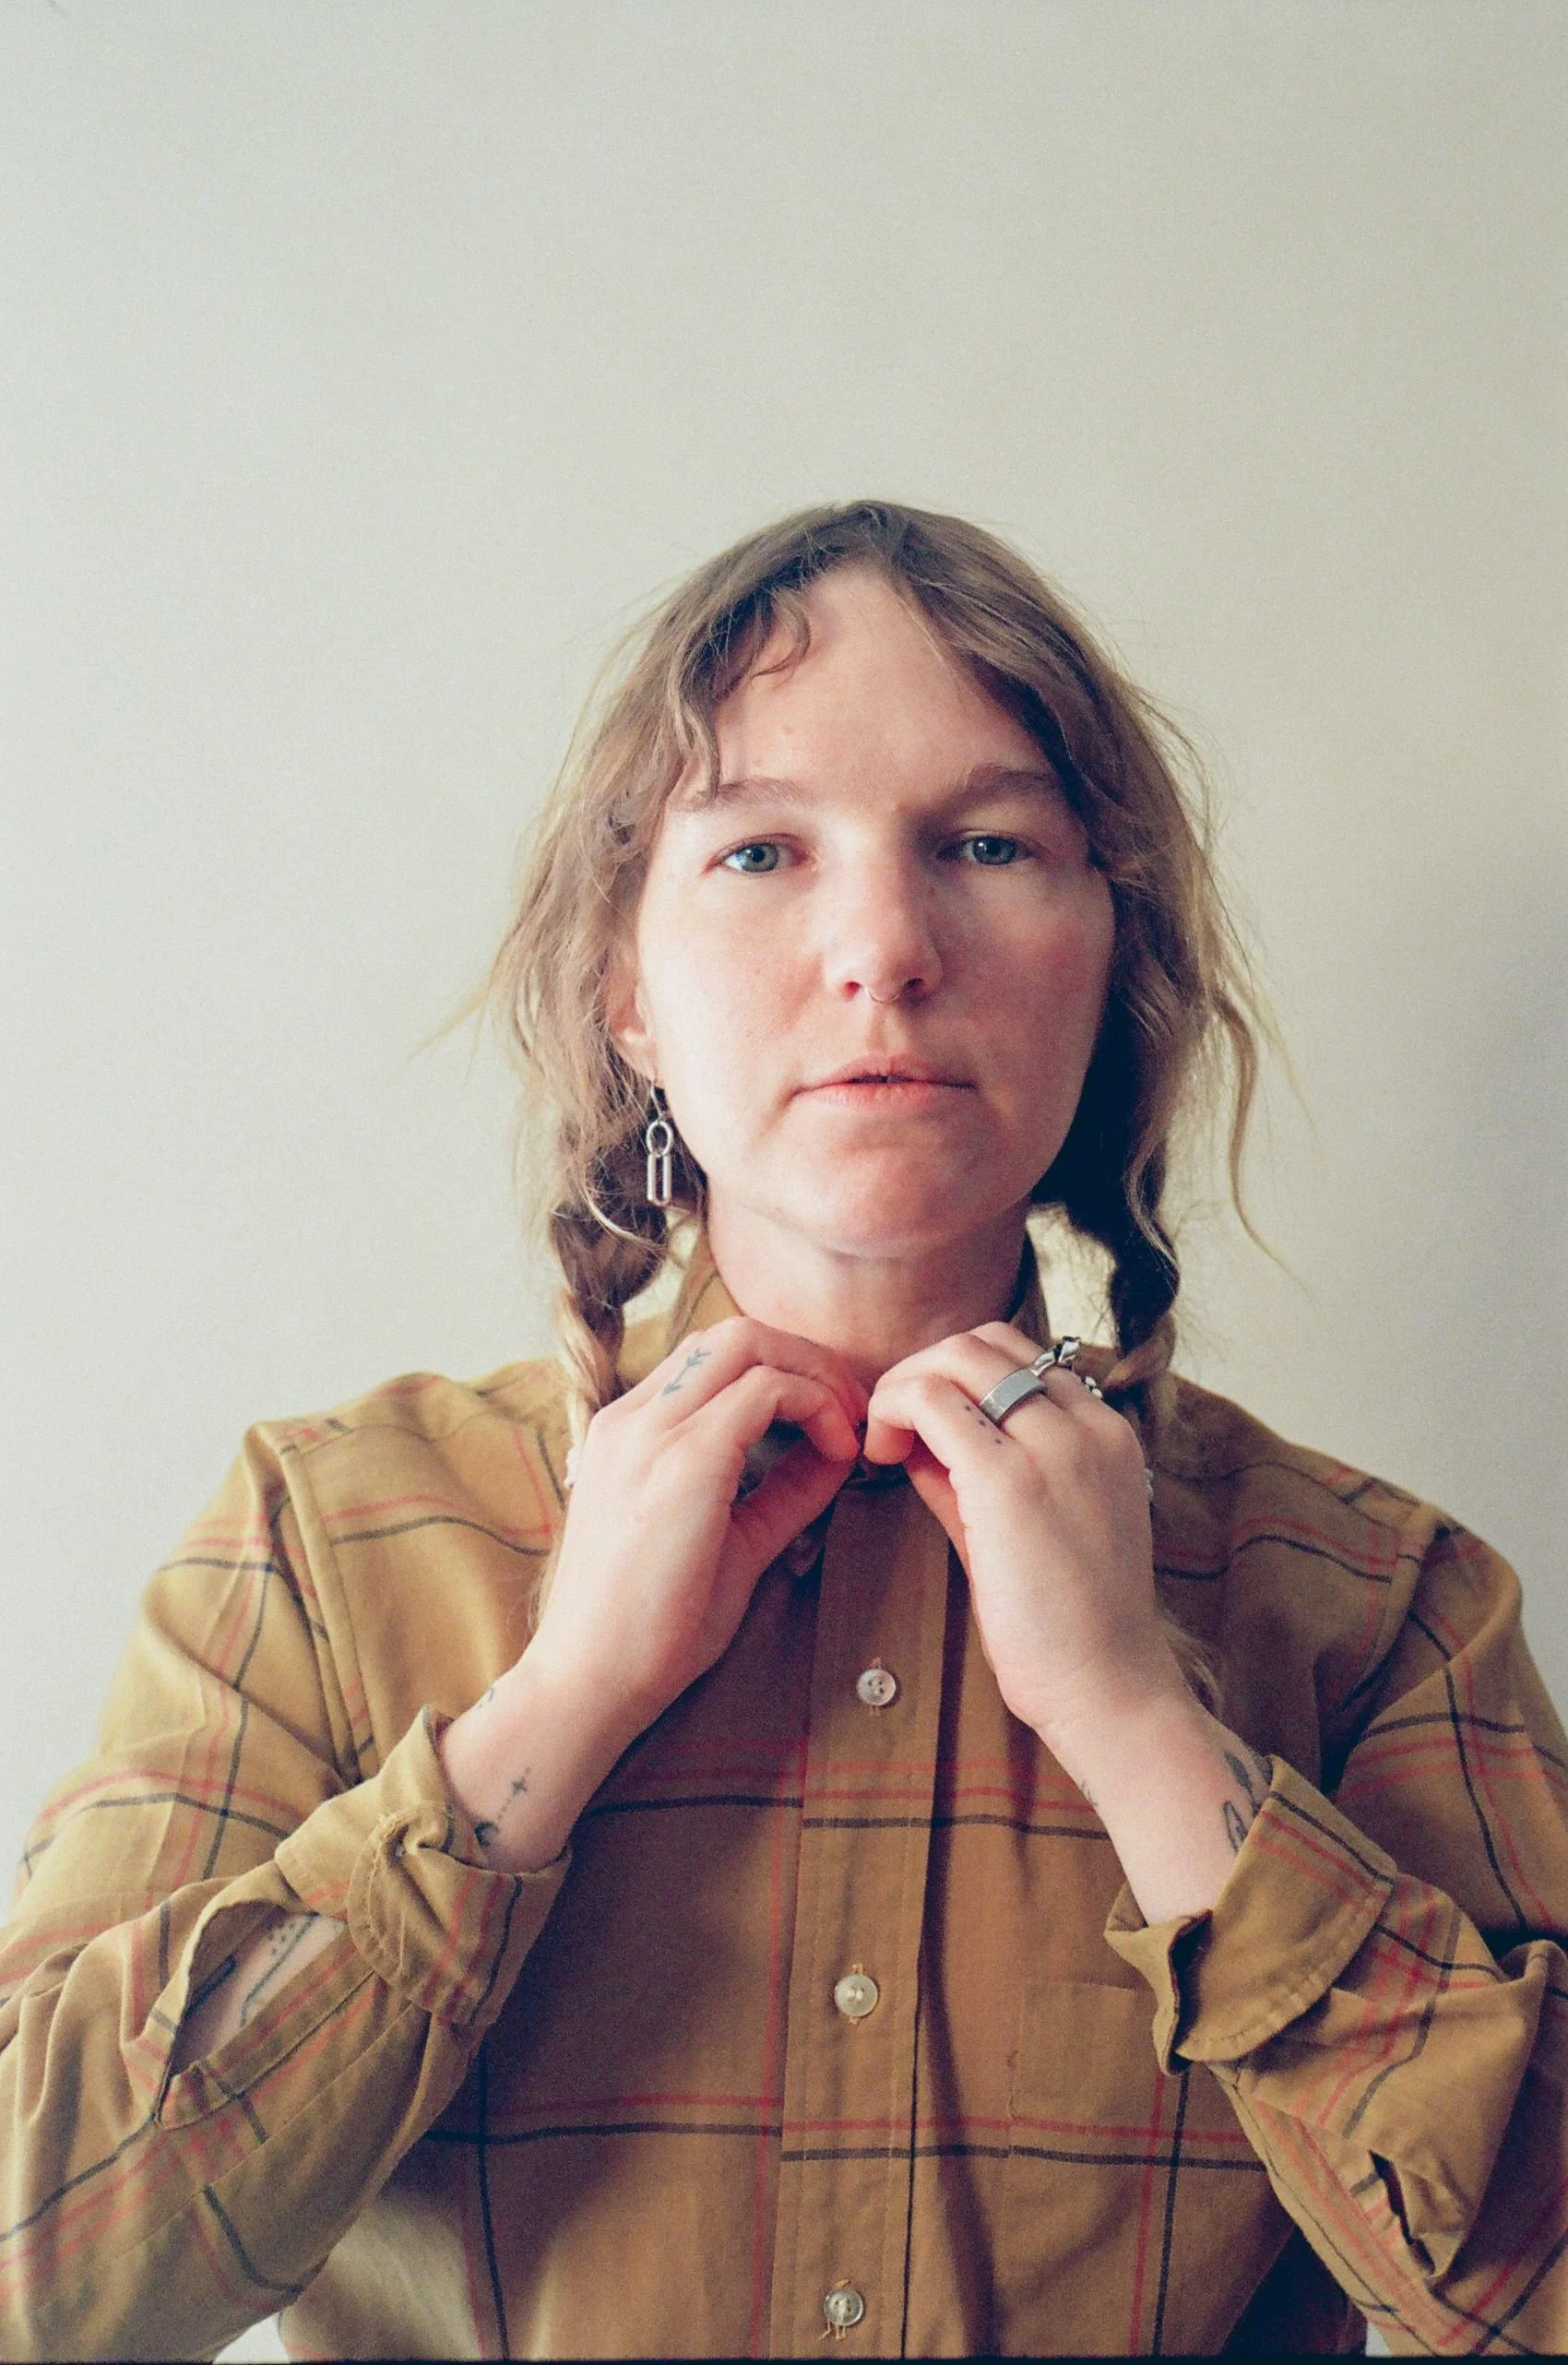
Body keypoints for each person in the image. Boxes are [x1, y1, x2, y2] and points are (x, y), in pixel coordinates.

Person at [2, 501, 1565, 2360]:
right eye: (758, 850)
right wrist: (551, 1716)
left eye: (987, 844)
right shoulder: (326, 1541)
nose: (884, 948)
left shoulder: (1374, 1599)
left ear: (1108, 963)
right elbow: (47, 2278)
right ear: (626, 989)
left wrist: (1145, 1728)